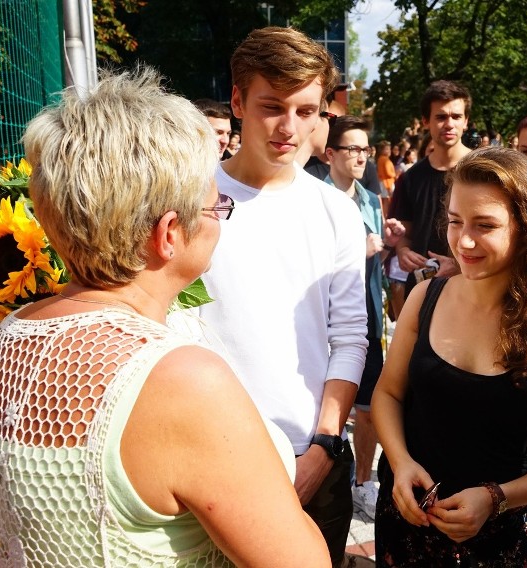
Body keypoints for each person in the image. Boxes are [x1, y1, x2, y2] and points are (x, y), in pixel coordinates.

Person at [0, 68, 330, 567]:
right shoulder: (179, 381)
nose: (220, 215)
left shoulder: (8, 334)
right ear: (169, 233)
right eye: (215, 204)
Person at [193, 27, 368, 567]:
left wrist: (325, 445)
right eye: (273, 106)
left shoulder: (335, 210)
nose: (290, 127)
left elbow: (349, 336)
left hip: (314, 458)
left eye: (307, 110)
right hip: (209, 461)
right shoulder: (190, 198)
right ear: (239, 101)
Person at [373, 147, 527, 567]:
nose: (464, 241)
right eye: (455, 221)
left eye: (485, 225)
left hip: (496, 539)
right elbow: (388, 395)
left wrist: (496, 498)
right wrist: (400, 465)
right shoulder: (423, 298)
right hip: (404, 520)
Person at [323, 115, 406, 520]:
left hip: (369, 314)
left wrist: (387, 245)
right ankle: (328, 474)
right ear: (330, 154)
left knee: (370, 405)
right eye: (351, 148)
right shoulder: (315, 198)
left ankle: (361, 482)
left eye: (365, 149)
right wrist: (361, 249)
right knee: (330, 403)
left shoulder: (371, 199)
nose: (360, 156)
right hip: (324, 319)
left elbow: (377, 260)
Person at [390, 80, 473, 298]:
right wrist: (403, 251)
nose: (449, 124)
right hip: (422, 290)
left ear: (466, 121)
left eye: (456, 117)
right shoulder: (410, 177)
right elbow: (404, 235)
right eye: (441, 117)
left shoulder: (483, 172)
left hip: (472, 288)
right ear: (426, 121)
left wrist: (459, 264)